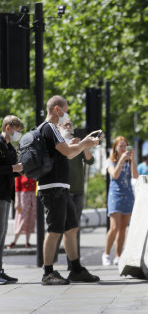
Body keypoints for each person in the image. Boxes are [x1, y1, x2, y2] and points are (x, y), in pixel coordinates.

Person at [37, 95, 101, 285]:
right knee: (55, 230)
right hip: (53, 186)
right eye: (66, 109)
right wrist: (85, 144)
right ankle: (47, 273)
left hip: (61, 187)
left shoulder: (50, 130)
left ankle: (75, 269)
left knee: (71, 228)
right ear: (57, 110)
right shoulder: (50, 128)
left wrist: (83, 144)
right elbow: (68, 152)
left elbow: (69, 153)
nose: (67, 114)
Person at [58, 119, 95, 269]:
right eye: (65, 125)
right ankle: (49, 263)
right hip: (63, 190)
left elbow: (90, 161)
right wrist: (71, 145)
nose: (69, 127)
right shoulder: (60, 144)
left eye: (70, 125)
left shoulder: (78, 145)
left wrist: (83, 145)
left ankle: (73, 263)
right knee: (59, 229)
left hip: (77, 191)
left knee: (75, 228)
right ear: (59, 128)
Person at [103, 136, 138, 266]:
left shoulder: (129, 161)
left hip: (128, 195)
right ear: (115, 148)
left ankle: (118, 255)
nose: (123, 149)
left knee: (123, 227)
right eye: (121, 146)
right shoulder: (110, 161)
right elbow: (115, 175)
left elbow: (135, 176)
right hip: (115, 196)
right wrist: (122, 160)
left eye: (125, 146)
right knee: (114, 227)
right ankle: (106, 254)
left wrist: (132, 160)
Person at [0, 115, 24, 284]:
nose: (18, 135)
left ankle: (0, 269)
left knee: (2, 235)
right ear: (8, 128)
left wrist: (21, 169)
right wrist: (12, 168)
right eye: (17, 131)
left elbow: (14, 171)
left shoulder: (10, 148)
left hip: (7, 195)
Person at [8, 174, 37, 249]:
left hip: (33, 197)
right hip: (23, 197)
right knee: (21, 219)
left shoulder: (34, 172)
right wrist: (17, 201)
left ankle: (27, 242)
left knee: (31, 219)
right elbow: (17, 188)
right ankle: (14, 241)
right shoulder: (20, 173)